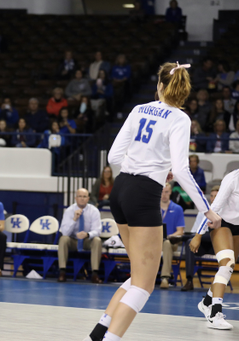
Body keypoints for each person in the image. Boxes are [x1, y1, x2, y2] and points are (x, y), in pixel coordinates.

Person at [83, 62, 220, 341]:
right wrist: (208, 209)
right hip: (143, 195)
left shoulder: (138, 109)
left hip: (120, 189)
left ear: (159, 85)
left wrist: (146, 169)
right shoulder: (180, 118)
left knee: (137, 275)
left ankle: (98, 332)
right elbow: (181, 171)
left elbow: (113, 158)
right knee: (145, 285)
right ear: (183, 91)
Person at [191, 169, 239, 330]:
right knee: (227, 264)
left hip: (238, 227)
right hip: (221, 223)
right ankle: (215, 313)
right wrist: (198, 234)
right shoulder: (232, 179)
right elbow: (215, 208)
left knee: (227, 270)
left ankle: (206, 303)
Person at [57, 188, 102, 284]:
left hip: (87, 240)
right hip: (73, 239)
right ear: (75, 198)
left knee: (97, 240)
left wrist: (87, 234)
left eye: (84, 196)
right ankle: (62, 272)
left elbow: (97, 230)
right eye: (80, 196)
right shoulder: (69, 211)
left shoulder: (94, 211)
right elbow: (65, 232)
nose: (82, 199)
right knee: (63, 239)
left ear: (88, 198)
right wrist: (74, 219)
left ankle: (95, 273)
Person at [181, 185, 219, 291]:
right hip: (203, 245)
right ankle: (189, 281)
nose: (213, 198)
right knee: (190, 242)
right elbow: (195, 233)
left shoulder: (225, 212)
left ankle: (181, 238)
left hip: (218, 245)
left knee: (209, 235)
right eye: (211, 196)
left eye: (216, 196)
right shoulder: (203, 212)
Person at [159, 183, 185, 289]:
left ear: (170, 192)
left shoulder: (177, 208)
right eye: (161, 192)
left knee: (166, 243)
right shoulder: (153, 208)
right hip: (155, 241)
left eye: (166, 192)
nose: (164, 194)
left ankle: (165, 277)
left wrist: (169, 236)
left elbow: (180, 231)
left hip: (171, 242)